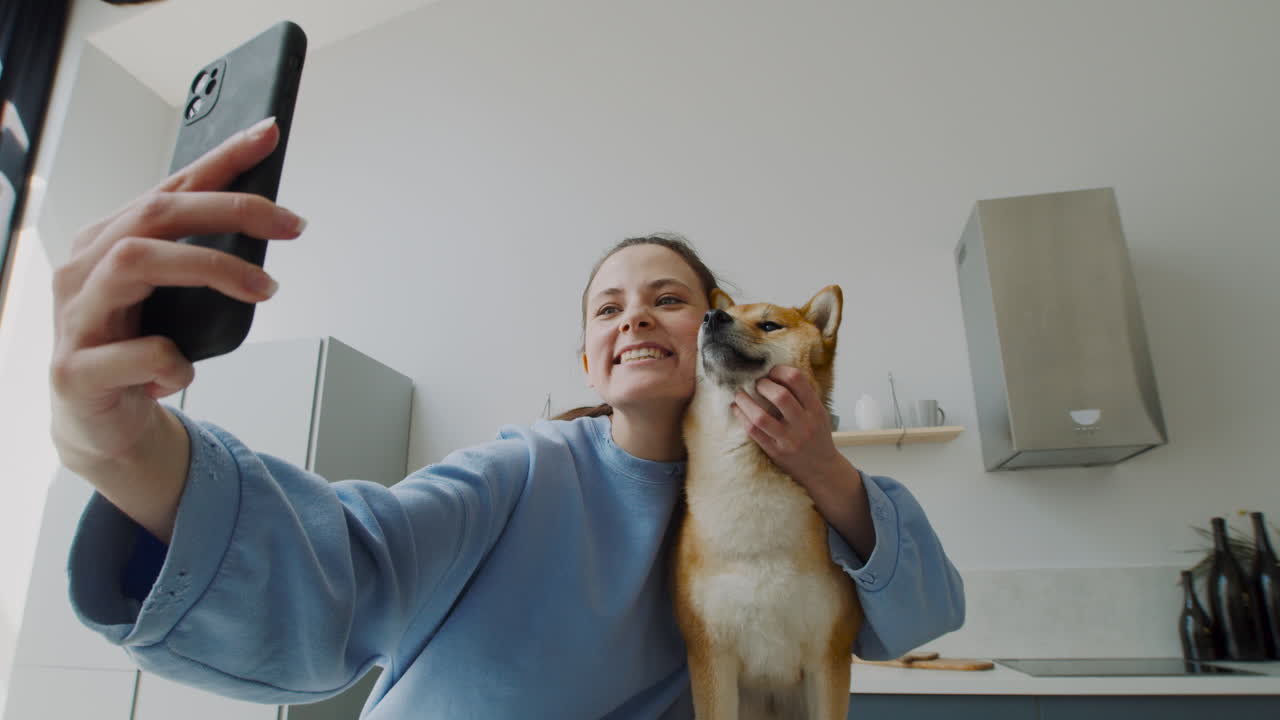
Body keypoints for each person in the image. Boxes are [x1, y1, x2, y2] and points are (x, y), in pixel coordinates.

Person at [50, 119, 964, 719]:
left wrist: (827, 471)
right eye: (607, 310)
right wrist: (124, 448)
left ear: (716, 335)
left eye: (669, 299)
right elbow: (352, 562)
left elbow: (915, 616)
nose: (634, 317)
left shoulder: (793, 491)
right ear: (589, 364)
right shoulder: (525, 471)